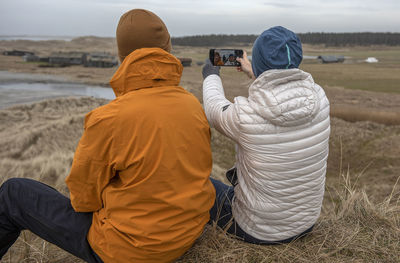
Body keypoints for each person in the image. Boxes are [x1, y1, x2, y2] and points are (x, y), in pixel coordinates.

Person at [0, 9, 215, 263]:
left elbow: (82, 200)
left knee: (13, 194)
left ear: (122, 56)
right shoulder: (192, 105)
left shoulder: (108, 118)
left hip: (128, 251)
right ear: (168, 49)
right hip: (187, 235)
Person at [202, 26, 330, 244]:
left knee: (202, 187)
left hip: (258, 230)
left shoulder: (246, 116)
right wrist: (256, 73)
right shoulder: (320, 99)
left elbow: (214, 110)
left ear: (260, 61)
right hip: (306, 223)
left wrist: (210, 75)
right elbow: (284, 97)